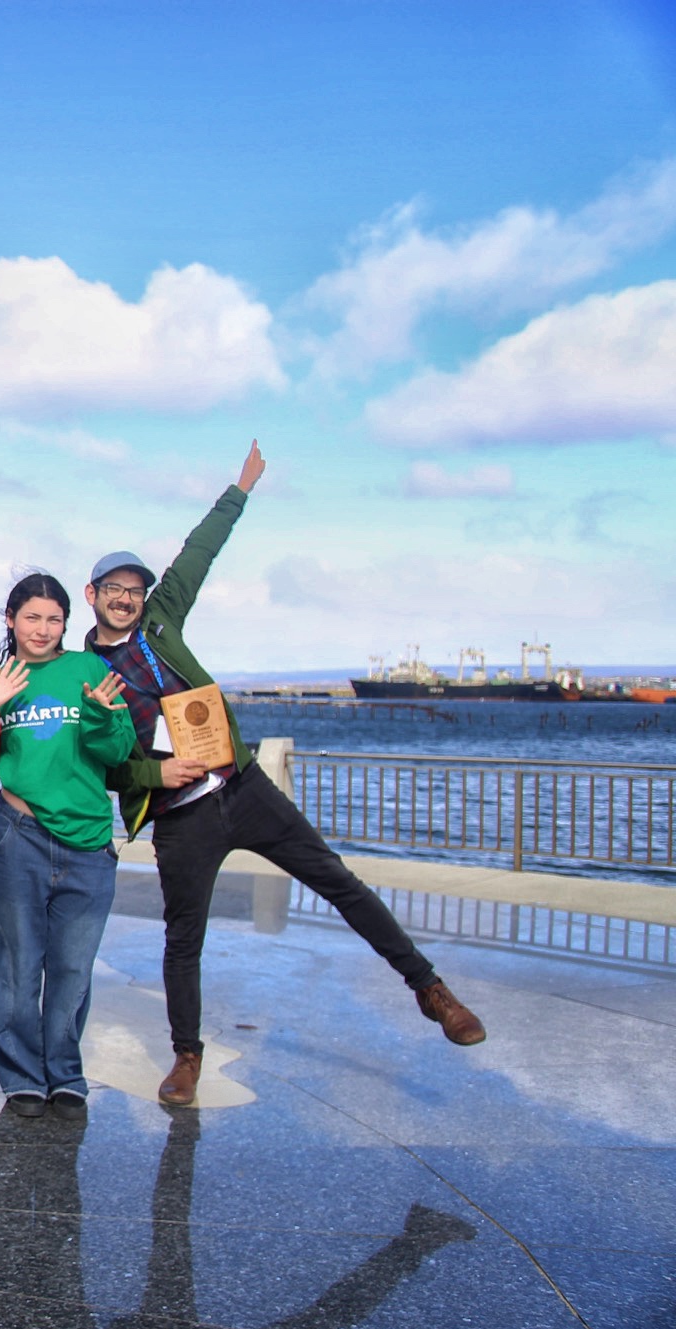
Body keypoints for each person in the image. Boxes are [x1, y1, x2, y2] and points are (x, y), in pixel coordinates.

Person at [86, 441, 487, 1109]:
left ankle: (430, 989)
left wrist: (239, 487)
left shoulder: (162, 620)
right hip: (180, 815)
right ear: (92, 594)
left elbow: (199, 550)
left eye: (134, 589)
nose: (126, 599)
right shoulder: (84, 675)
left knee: (338, 879)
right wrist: (155, 777)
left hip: (242, 788)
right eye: (114, 590)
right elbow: (101, 767)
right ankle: (187, 1055)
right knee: (183, 936)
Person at [0, 573, 133, 1119]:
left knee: (71, 968)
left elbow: (117, 750)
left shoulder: (88, 669)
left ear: (66, 623)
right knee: (13, 966)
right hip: (21, 834)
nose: (42, 629)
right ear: (10, 620)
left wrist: (106, 718)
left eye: (53, 619)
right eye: (31, 618)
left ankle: (64, 1073)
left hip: (88, 841)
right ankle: (20, 1077)